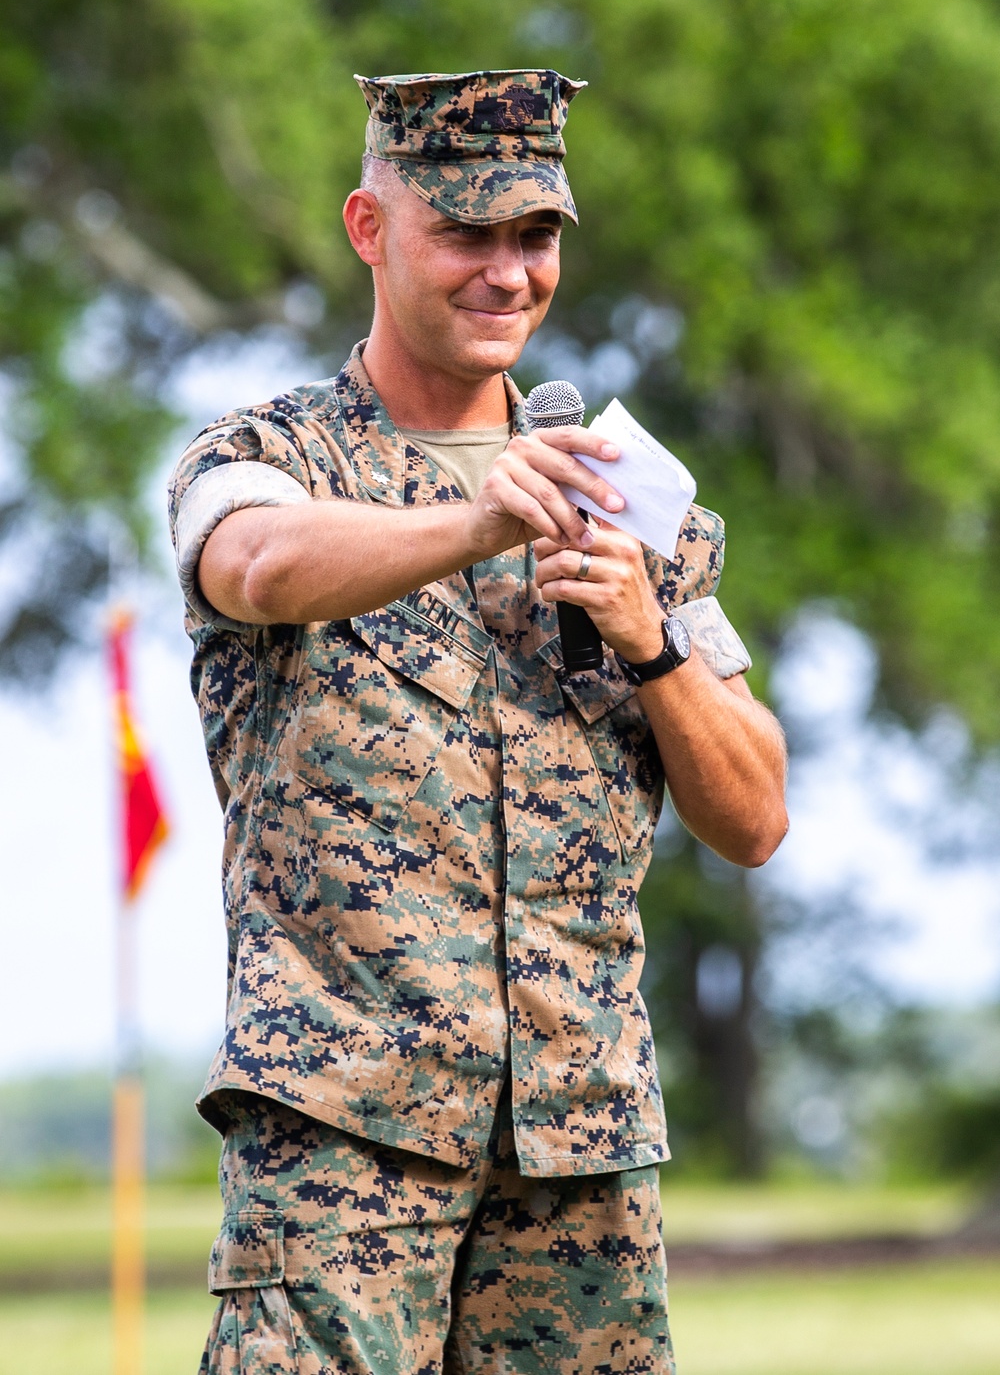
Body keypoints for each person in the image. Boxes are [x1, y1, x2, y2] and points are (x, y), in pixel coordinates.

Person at [168, 69, 788, 1375]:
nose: (508, 272)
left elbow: (755, 814)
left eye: (536, 235)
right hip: (344, 1138)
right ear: (369, 228)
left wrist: (650, 640)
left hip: (580, 1141)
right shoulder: (269, 457)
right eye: (468, 231)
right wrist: (479, 524)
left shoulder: (632, 500)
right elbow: (262, 567)